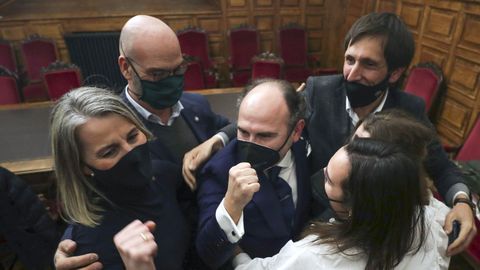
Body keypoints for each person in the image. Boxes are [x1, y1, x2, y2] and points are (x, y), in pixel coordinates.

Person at [184, 12, 476, 256]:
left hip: (371, 227)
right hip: (314, 219)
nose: (351, 73)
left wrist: (462, 201)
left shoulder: (410, 108)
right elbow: (273, 116)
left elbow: (440, 165)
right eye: (350, 59)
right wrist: (220, 137)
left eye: (368, 64)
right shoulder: (318, 89)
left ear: (395, 73)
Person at [54, 15, 230, 269]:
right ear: (126, 68)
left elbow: (242, 128)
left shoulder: (196, 105)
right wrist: (74, 242)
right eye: (158, 73)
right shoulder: (107, 122)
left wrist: (216, 139)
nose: (172, 80)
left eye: (178, 69)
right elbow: (89, 197)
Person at [233, 137, 450, 269]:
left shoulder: (314, 256)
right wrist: (462, 201)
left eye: (328, 179)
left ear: (355, 207)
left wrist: (235, 253)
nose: (322, 174)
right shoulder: (428, 218)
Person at [50, 87, 189, 269]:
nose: (131, 152)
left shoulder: (165, 174)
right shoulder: (89, 245)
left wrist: (219, 138)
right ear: (82, 166)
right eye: (109, 151)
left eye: (132, 136)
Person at [195, 79, 311, 269]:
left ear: (296, 131)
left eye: (265, 136)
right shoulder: (218, 170)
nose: (251, 144)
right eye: (243, 132)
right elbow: (209, 253)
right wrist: (231, 206)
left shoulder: (305, 145)